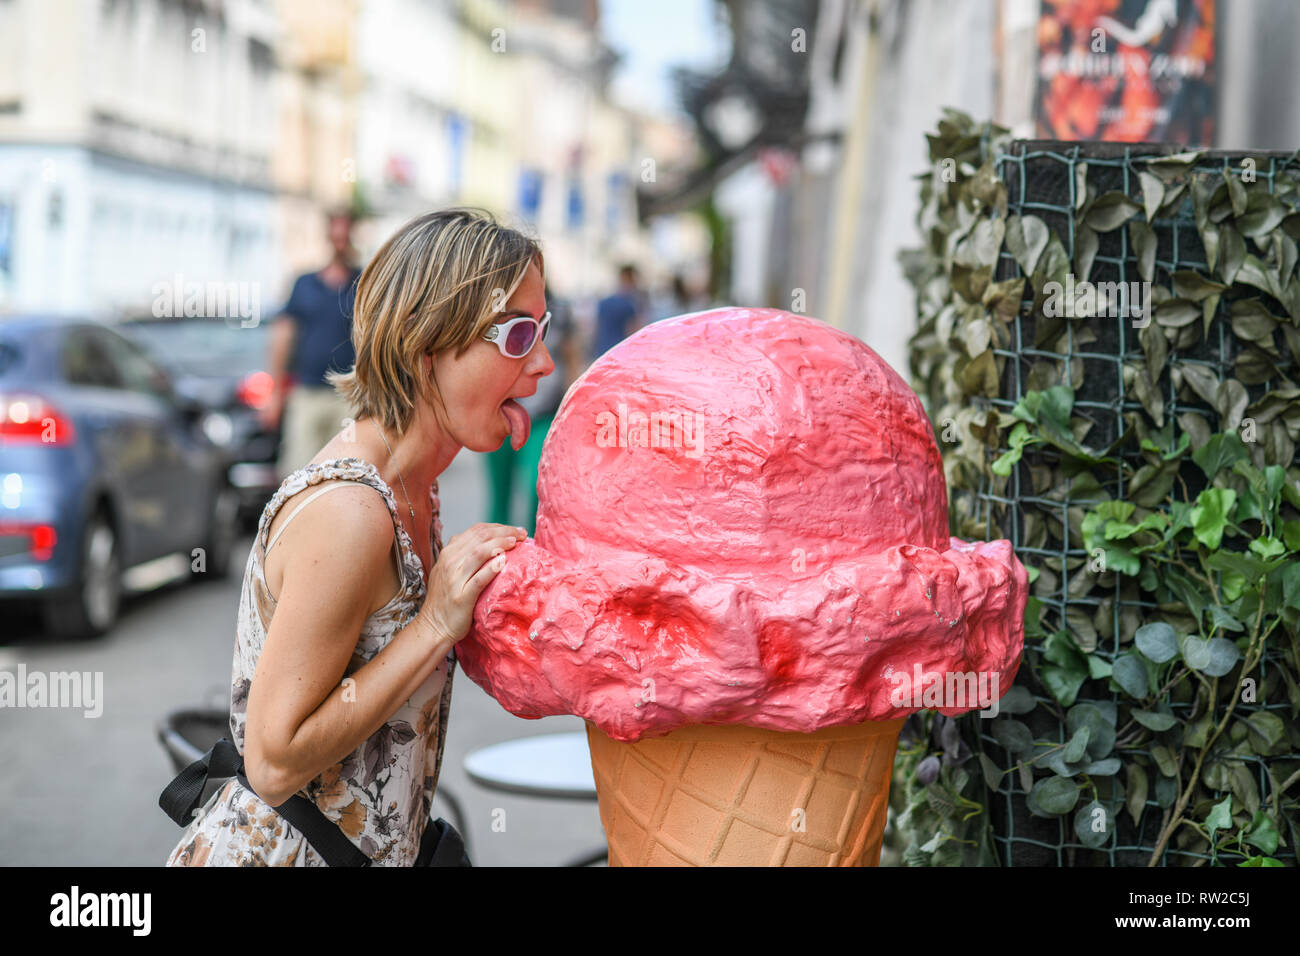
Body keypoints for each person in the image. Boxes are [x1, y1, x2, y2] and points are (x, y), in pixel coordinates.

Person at [166, 207, 553, 866]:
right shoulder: (351, 511)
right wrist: (434, 625)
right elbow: (273, 760)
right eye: (516, 336)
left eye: (543, 330)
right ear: (426, 346)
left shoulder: (416, 489)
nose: (543, 362)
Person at [262, 208, 364, 478]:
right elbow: (283, 336)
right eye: (336, 233)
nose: (340, 240)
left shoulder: (364, 283)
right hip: (308, 391)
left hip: (349, 396)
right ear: (328, 236)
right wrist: (275, 394)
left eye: (346, 233)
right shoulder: (305, 283)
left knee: (347, 474)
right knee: (298, 472)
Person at [484, 285, 583, 535]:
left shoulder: (559, 312)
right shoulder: (494, 309)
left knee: (536, 487)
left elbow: (571, 358)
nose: (542, 362)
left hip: (545, 413)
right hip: (500, 410)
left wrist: (573, 405)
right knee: (500, 492)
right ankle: (494, 555)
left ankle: (533, 548)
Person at [590, 263, 645, 361]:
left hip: (603, 351)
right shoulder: (630, 304)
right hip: (622, 353)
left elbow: (596, 329)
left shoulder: (604, 302)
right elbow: (633, 331)